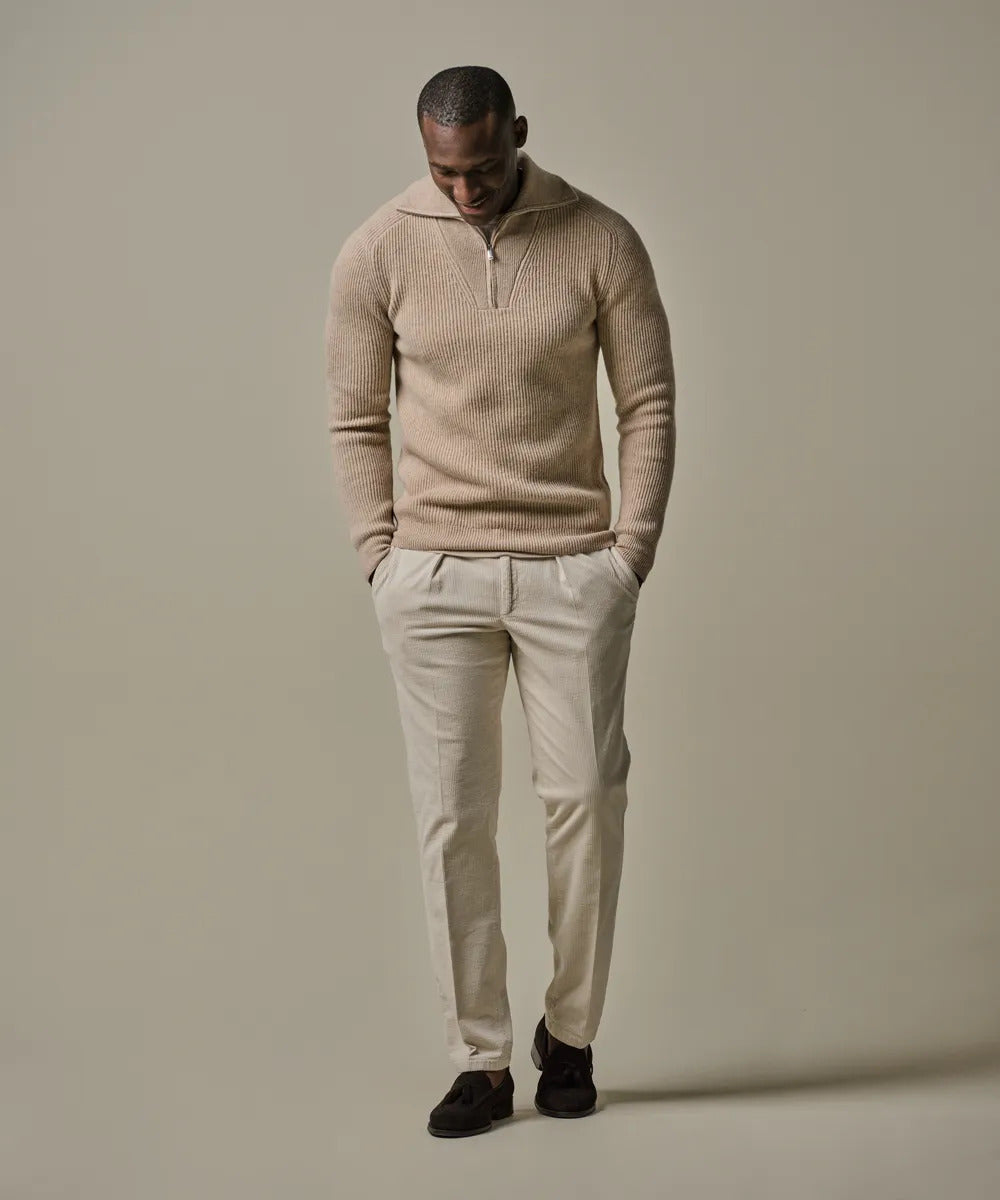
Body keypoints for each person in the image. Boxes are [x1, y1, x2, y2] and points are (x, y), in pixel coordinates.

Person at [324, 64, 676, 1137]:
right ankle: (479, 1058)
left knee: (587, 800)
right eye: (445, 172)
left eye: (482, 167)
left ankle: (570, 1034)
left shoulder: (601, 238)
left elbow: (648, 401)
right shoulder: (377, 248)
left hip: (572, 565)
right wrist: (380, 556)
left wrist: (628, 555)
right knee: (453, 820)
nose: (465, 190)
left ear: (518, 132)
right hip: (434, 576)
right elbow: (354, 417)